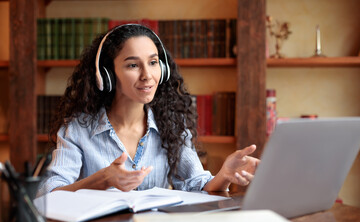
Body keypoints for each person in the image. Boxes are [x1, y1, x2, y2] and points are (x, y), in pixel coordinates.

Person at [37, 24, 260, 196]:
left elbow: (198, 185)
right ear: (107, 75)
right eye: (133, 65)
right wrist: (103, 179)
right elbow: (49, 194)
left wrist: (225, 175)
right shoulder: (78, 129)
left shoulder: (171, 126)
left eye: (153, 63)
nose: (147, 75)